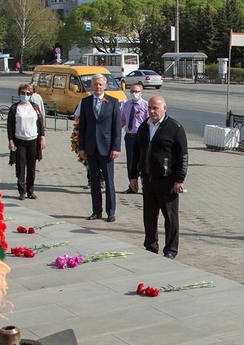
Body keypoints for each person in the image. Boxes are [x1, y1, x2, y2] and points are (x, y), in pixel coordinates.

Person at [129, 96, 187, 259]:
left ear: (165, 108)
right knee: (149, 215)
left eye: (156, 108)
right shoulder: (144, 127)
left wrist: (179, 179)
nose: (152, 111)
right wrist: (133, 176)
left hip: (167, 180)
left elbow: (182, 155)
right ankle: (150, 246)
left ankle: (170, 249)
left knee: (170, 217)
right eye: (150, 108)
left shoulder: (174, 127)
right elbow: (136, 153)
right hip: (148, 178)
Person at [77, 74, 121, 222]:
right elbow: (82, 127)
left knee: (109, 181)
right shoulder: (85, 102)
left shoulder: (113, 102)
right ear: (91, 86)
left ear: (105, 86)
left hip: (107, 147)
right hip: (91, 147)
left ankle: (111, 212)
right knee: (94, 181)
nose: (98, 87)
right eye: (95, 84)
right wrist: (81, 147)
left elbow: (117, 127)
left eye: (101, 84)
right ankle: (97, 211)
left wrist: (116, 147)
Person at [6, 83, 45, 200]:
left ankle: (30, 190)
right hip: (19, 141)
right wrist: (11, 141)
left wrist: (42, 137)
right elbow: (10, 126)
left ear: (31, 94)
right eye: (23, 93)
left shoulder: (35, 107)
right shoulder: (14, 108)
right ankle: (22, 191)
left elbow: (40, 123)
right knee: (20, 166)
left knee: (32, 166)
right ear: (19, 94)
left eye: (28, 93)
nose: (25, 95)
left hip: (33, 140)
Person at [120, 82, 149, 194]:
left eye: (136, 91)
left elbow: (149, 122)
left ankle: (145, 185)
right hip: (129, 137)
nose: (134, 93)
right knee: (131, 162)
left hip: (141, 137)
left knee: (142, 161)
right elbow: (123, 120)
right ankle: (132, 185)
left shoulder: (146, 106)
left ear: (141, 93)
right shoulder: (126, 105)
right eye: (132, 91)